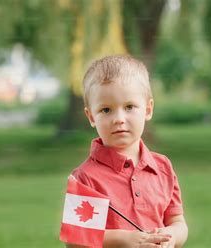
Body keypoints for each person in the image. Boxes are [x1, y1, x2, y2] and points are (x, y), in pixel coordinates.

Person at [66, 55, 188, 248]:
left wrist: (171, 235)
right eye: (106, 110)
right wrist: (126, 240)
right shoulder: (85, 178)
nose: (119, 119)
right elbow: (76, 240)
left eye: (129, 107)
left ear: (148, 110)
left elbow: (178, 222)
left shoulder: (162, 167)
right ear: (91, 116)